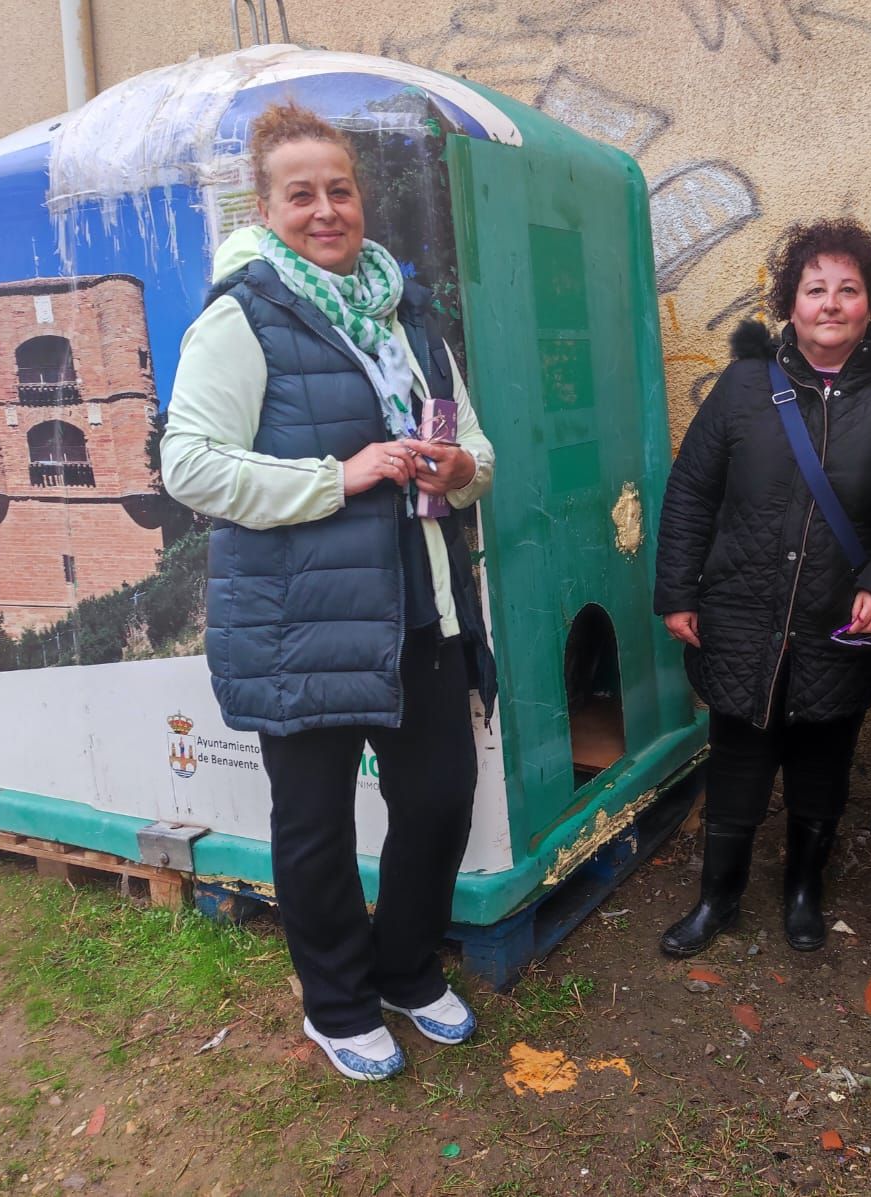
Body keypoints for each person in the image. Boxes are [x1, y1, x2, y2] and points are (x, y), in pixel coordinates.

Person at [161, 101, 496, 1081]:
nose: (324, 209)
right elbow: (190, 466)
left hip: (420, 605)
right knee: (314, 825)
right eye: (299, 193)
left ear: (361, 198)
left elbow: (477, 446)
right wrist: (337, 477)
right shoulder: (241, 318)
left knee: (437, 800)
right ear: (267, 209)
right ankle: (338, 1006)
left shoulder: (408, 318)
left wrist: (455, 471)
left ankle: (402, 970)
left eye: (338, 189)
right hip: (301, 620)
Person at [654, 218, 871, 956]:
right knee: (738, 753)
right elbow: (690, 492)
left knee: (823, 760)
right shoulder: (744, 387)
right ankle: (718, 899)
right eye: (815, 289)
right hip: (741, 609)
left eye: (849, 289)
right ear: (790, 303)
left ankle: (804, 893)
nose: (831, 303)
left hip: (841, 616)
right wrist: (677, 590)